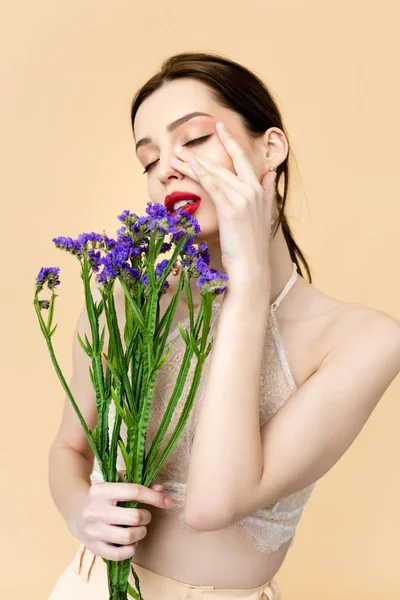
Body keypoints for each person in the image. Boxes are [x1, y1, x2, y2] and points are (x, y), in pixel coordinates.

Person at [48, 52, 400, 600]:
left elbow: (214, 503)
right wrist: (79, 514)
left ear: (271, 148)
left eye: (191, 140)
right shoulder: (128, 301)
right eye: (148, 160)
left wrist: (249, 285)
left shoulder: (362, 342)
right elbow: (70, 449)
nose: (165, 169)